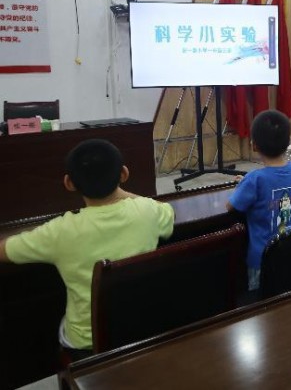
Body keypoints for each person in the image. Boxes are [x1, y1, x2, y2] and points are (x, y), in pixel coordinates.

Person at [0, 139, 174, 354]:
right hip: (140, 328)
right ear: (124, 174)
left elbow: (4, 251)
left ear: (69, 183)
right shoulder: (148, 211)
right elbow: (165, 209)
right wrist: (120, 192)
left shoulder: (60, 231)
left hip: (89, 343)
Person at [227, 110, 291, 291]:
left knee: (262, 299)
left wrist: (243, 184)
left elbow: (231, 206)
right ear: (288, 142)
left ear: (254, 145)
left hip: (262, 260)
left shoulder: (254, 179)